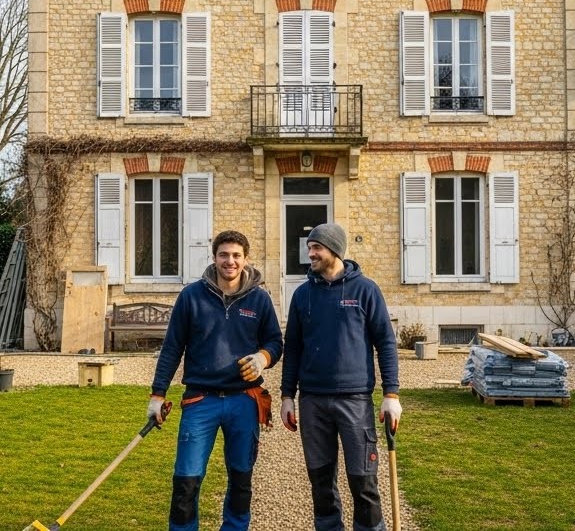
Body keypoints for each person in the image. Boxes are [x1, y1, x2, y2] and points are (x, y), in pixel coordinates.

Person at [149, 230, 283, 531]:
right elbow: (172, 348)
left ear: (245, 259)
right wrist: (157, 395)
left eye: (236, 255)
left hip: (244, 401)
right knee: (186, 479)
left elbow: (275, 342)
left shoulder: (259, 299)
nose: (230, 261)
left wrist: (262, 358)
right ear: (214, 257)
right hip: (201, 401)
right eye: (224, 254)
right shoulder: (191, 297)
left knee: (241, 478)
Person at [280, 222, 401, 531]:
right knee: (321, 483)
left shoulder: (365, 290)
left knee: (363, 483)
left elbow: (385, 342)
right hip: (312, 402)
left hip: (355, 400)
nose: (310, 254)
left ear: (334, 249)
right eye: (309, 247)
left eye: (316, 247)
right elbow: (292, 347)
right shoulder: (303, 295)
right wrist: (286, 396)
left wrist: (392, 394)